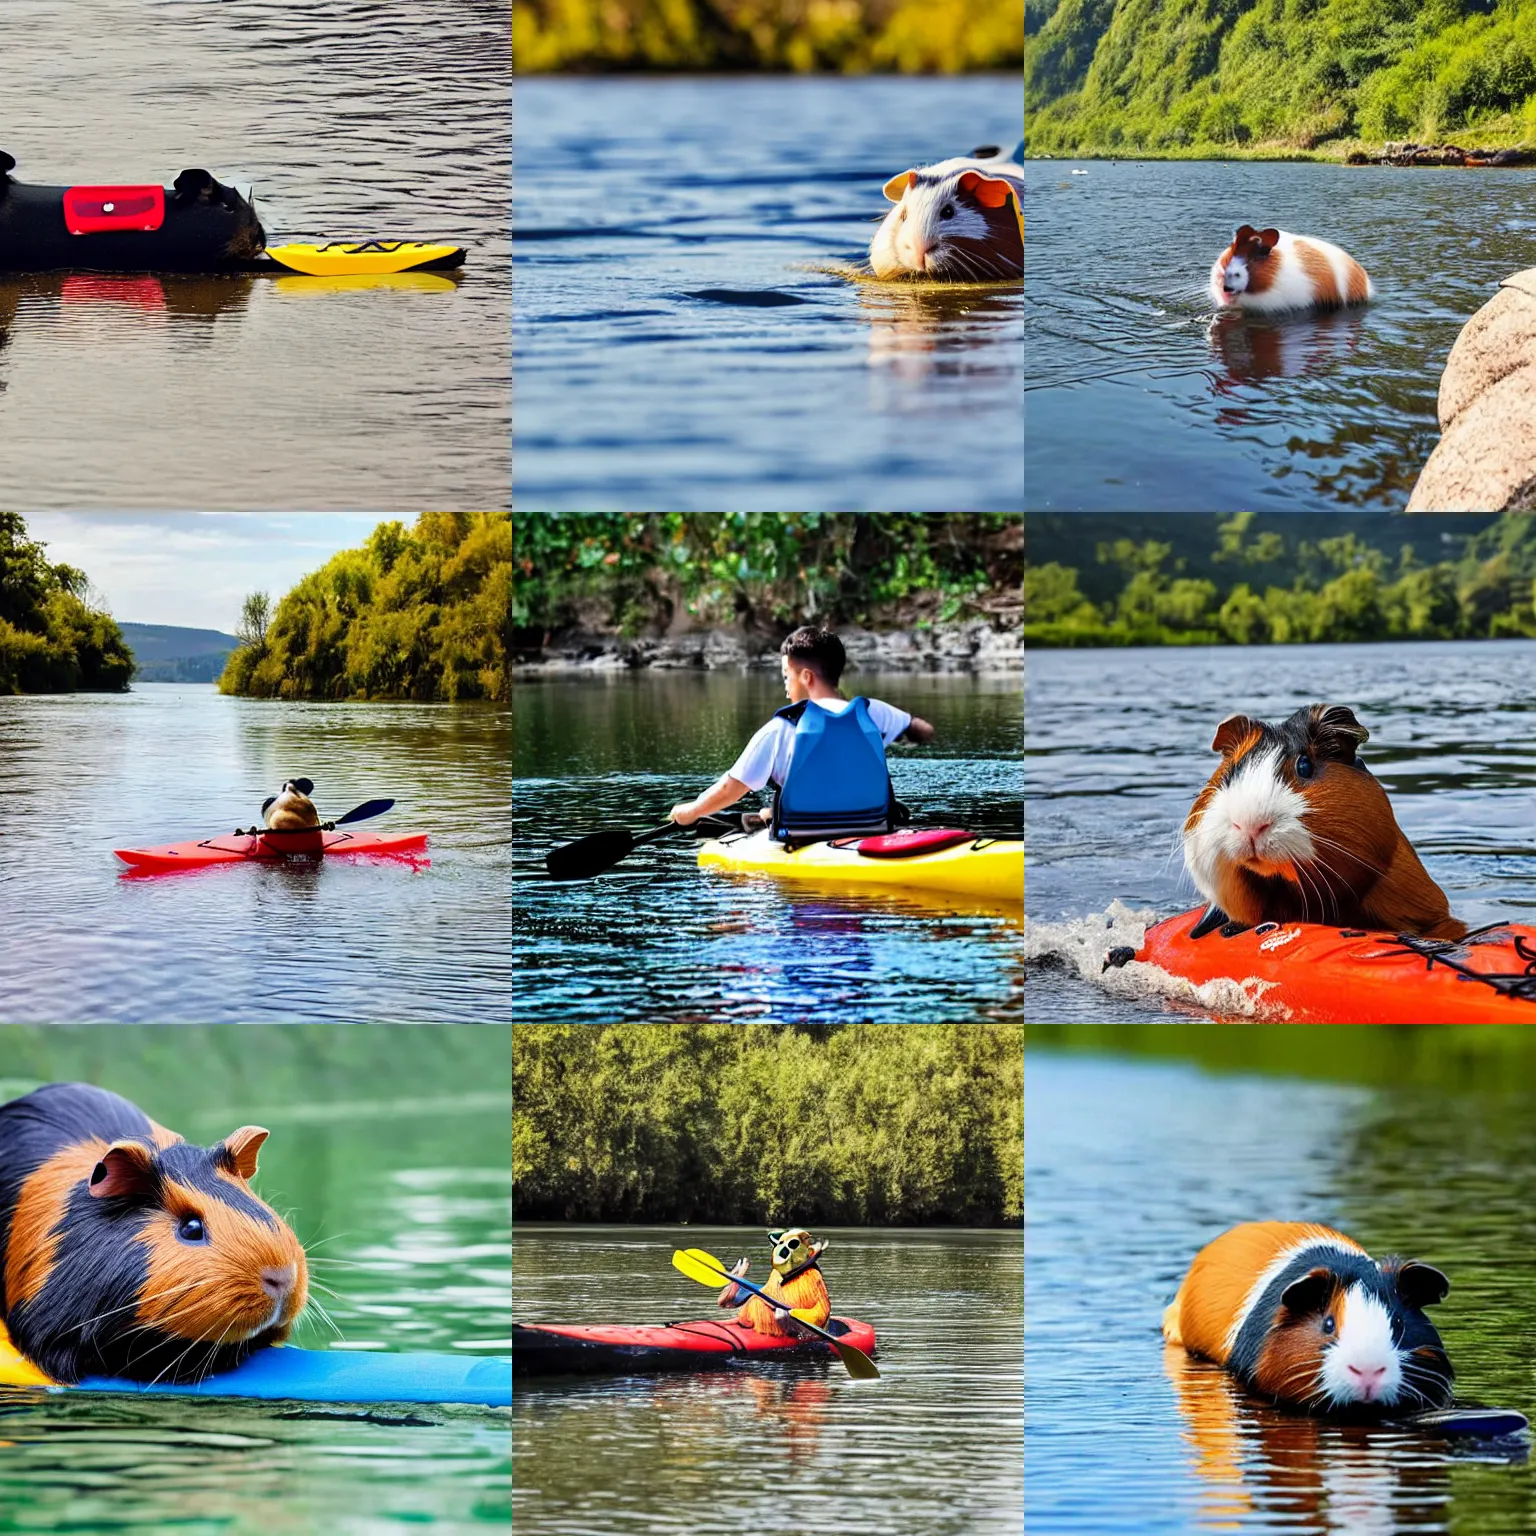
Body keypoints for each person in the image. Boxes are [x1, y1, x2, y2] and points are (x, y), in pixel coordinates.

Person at [669, 626, 934, 841]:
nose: (786, 688)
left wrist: (689, 812)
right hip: (874, 829)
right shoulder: (872, 712)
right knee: (767, 813)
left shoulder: (781, 727)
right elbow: (922, 730)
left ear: (806, 677)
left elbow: (731, 789)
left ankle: (773, 817)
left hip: (801, 834)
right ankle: (770, 815)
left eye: (787, 677)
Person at [717, 1228, 831, 1339]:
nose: (785, 1250)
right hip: (755, 1322)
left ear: (809, 1252)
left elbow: (821, 1312)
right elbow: (766, 1294)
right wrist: (738, 1279)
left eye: (792, 1245)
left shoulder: (812, 1276)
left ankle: (791, 1330)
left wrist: (794, 1315)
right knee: (751, 1298)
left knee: (781, 1316)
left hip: (792, 1325)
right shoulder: (776, 1275)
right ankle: (736, 1282)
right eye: (781, 1245)